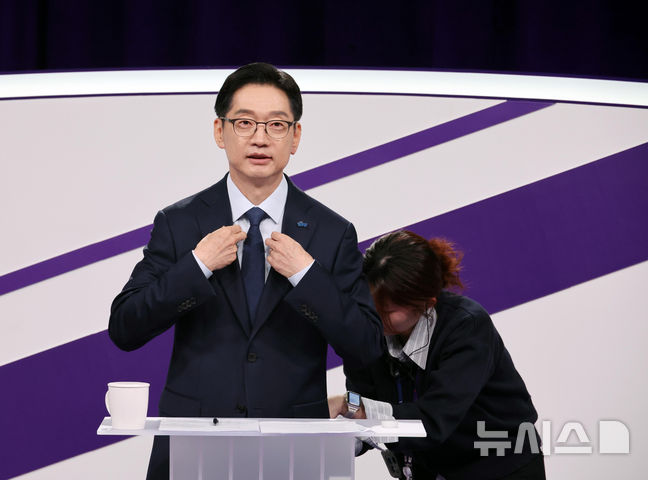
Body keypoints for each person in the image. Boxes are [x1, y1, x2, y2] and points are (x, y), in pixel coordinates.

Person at [108, 62, 384, 478]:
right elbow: (125, 327)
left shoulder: (331, 231)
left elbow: (367, 346)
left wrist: (308, 277)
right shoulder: (180, 222)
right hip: (194, 446)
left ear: (295, 136)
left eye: (276, 125)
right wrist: (197, 265)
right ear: (220, 132)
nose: (260, 137)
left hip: (293, 451)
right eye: (244, 123)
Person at [329, 230, 545, 479]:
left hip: (500, 466)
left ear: (426, 302)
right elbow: (366, 406)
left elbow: (433, 422)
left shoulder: (467, 327)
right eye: (370, 304)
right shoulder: (366, 330)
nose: (375, 316)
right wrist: (328, 441)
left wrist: (348, 404)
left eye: (386, 310)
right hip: (428, 468)